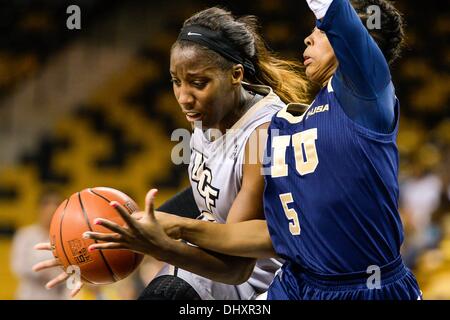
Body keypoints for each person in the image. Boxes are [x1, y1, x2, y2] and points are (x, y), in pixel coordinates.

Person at [84, 0, 422, 300]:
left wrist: (170, 234)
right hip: (297, 282)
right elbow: (272, 231)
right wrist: (158, 227)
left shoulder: (367, 100)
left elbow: (237, 263)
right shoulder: (291, 122)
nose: (308, 38)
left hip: (365, 288)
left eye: (319, 31)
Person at [33, 7, 310, 300]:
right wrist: (118, 234)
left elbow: (235, 268)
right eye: (176, 82)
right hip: (217, 260)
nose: (183, 97)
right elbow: (208, 191)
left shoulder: (263, 135)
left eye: (197, 83)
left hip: (266, 280)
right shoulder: (211, 110)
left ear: (235, 75)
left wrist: (160, 242)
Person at [11, 189, 70, 300]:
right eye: (47, 205)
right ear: (40, 208)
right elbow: (18, 266)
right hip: (29, 296)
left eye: (56, 206)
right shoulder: (25, 235)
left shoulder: (67, 237)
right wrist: (49, 273)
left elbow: (73, 271)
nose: (51, 211)